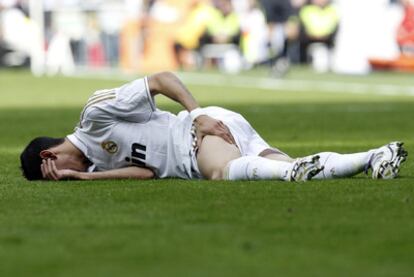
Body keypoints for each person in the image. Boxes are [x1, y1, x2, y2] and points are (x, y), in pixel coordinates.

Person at [20, 72, 407, 182]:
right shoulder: (94, 165)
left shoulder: (94, 117)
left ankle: (293, 172)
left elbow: (160, 80)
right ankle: (375, 157)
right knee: (288, 163)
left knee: (222, 174)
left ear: (49, 155)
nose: (61, 176)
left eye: (53, 170)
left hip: (196, 136)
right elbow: (147, 171)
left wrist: (197, 114)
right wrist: (86, 180)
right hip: (217, 133)